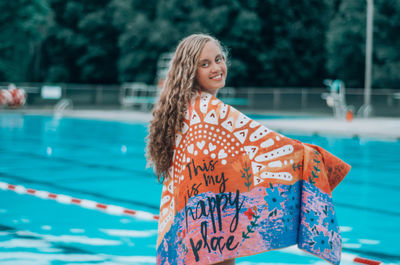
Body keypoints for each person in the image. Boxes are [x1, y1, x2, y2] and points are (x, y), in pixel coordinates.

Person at [146, 34, 350, 265]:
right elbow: (267, 146)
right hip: (212, 228)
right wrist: (315, 159)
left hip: (190, 229)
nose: (216, 67)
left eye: (219, 59)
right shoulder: (210, 110)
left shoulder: (183, 109)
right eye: (205, 64)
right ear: (189, 71)